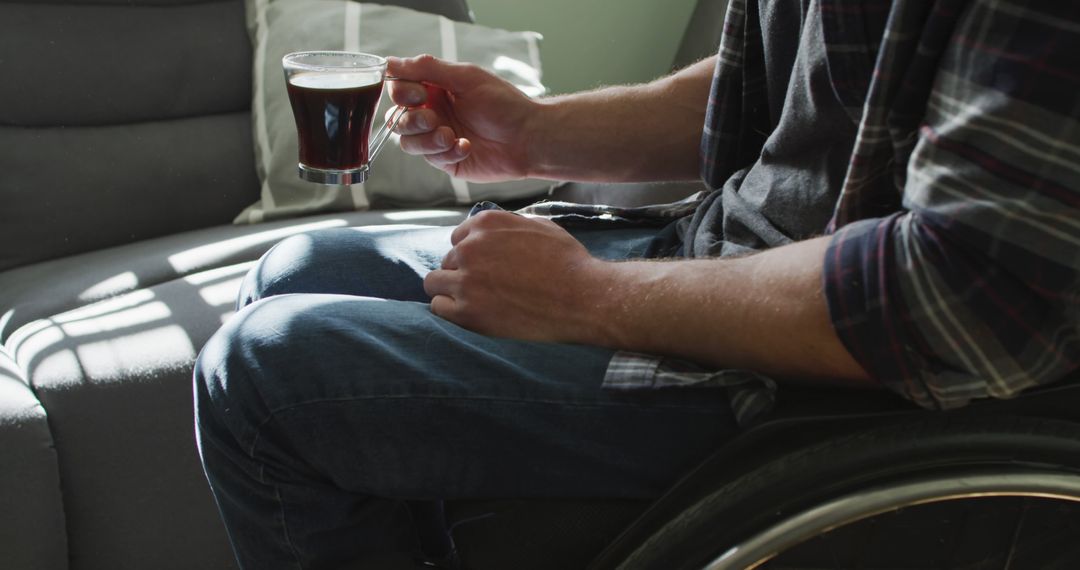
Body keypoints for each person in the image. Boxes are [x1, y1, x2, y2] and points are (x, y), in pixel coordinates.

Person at [194, 0, 1080, 568]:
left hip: (838, 379)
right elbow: (776, 91)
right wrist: (535, 134)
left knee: (266, 376)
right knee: (304, 266)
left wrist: (582, 296)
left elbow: (964, 298)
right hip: (728, 252)